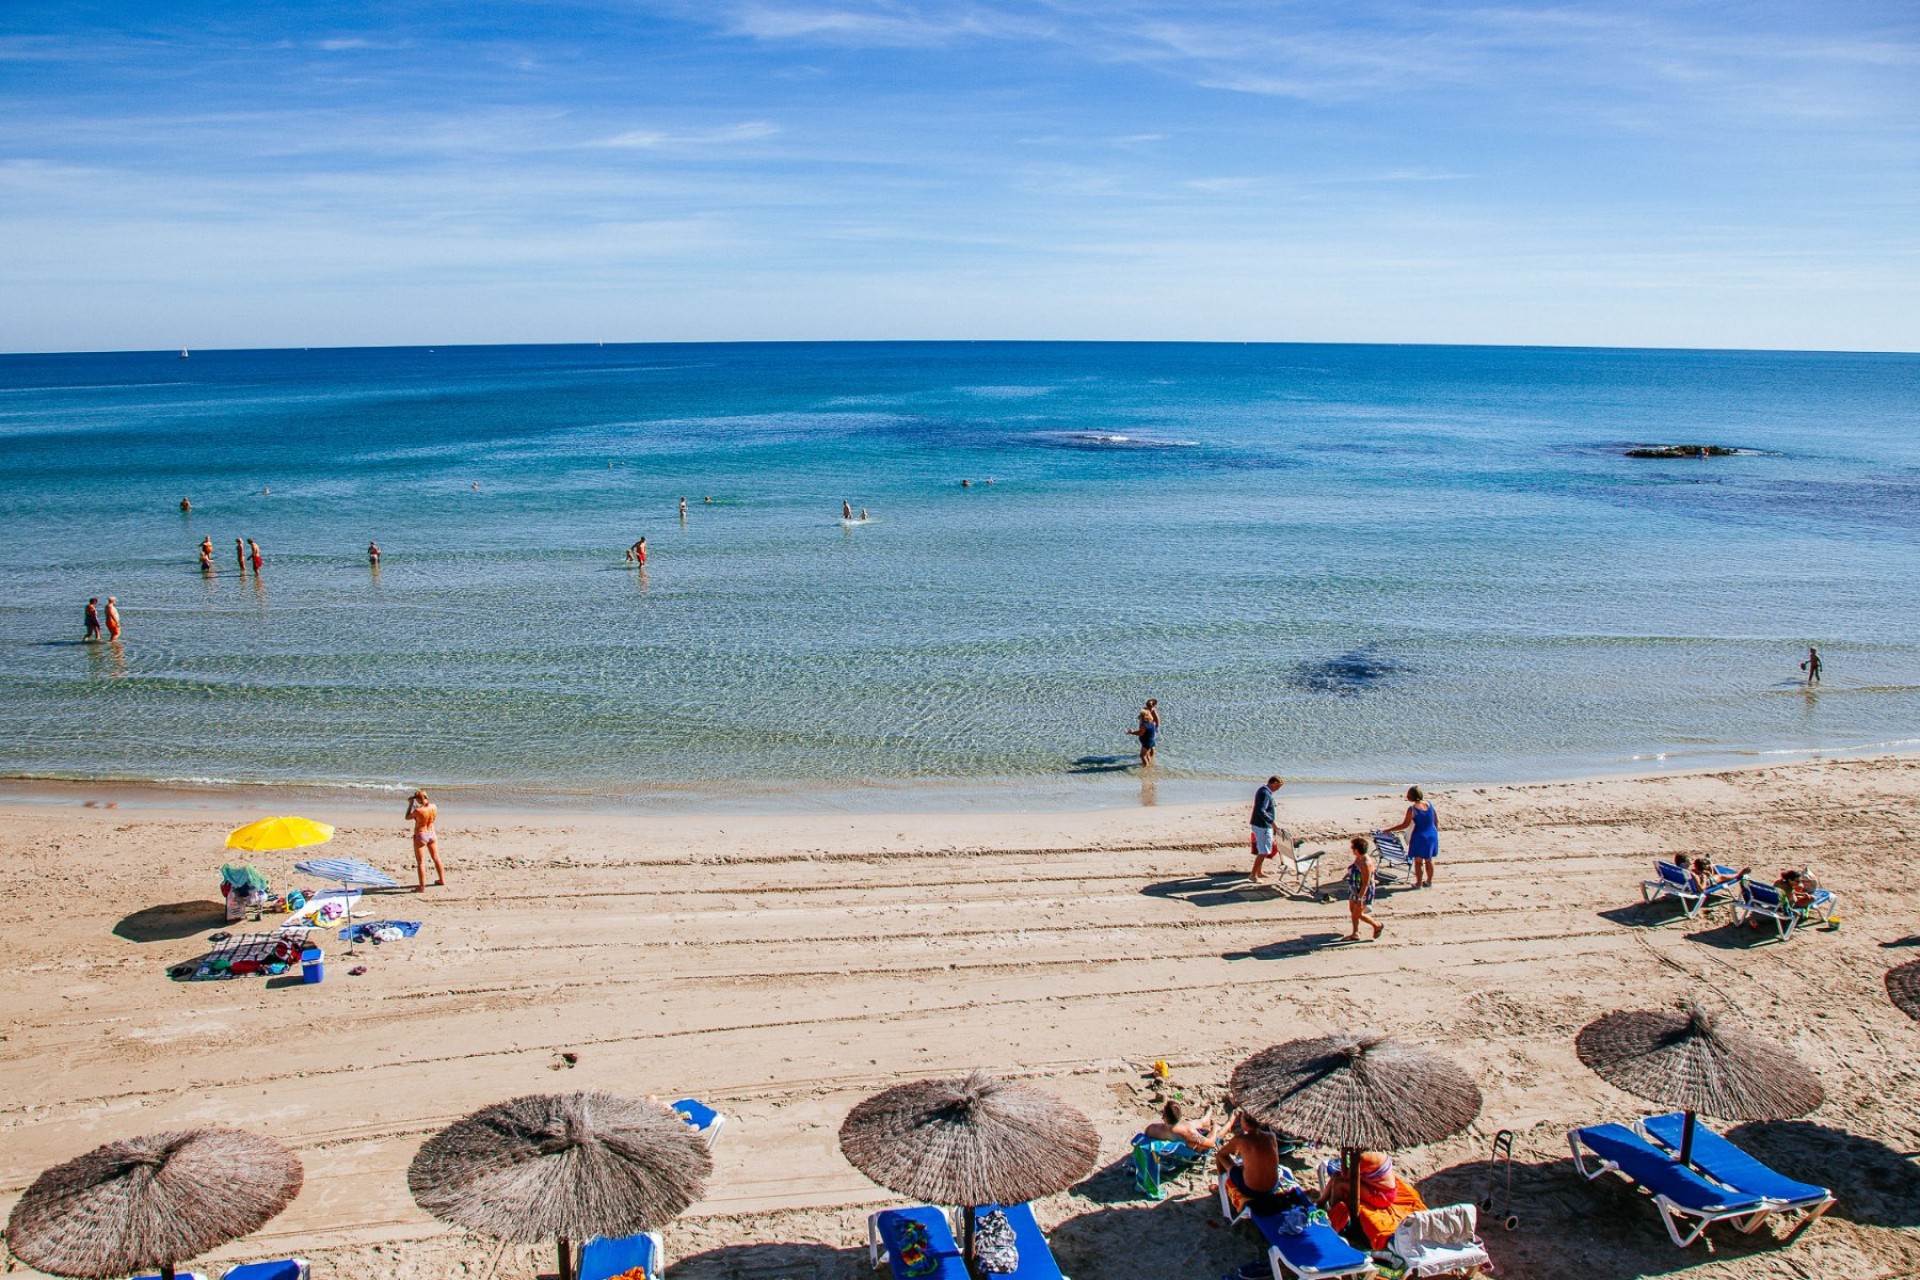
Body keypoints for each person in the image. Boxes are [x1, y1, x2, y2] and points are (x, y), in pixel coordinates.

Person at [1318, 1152, 1426, 1249]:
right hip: (1374, 1185)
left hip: (1382, 1195)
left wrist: (1345, 1154)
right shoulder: (1372, 1150)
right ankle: (1321, 1203)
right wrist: (1345, 1152)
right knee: (1337, 1176)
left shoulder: (1364, 1157)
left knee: (1340, 1184)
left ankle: (1335, 1216)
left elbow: (1347, 1175)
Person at [1382, 786, 1439, 888]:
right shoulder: (1430, 804)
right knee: (1429, 860)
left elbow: (1405, 824)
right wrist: (1434, 831)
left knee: (1418, 862)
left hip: (1420, 836)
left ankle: (1418, 883)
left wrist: (1389, 829)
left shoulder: (1412, 809)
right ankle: (1429, 881)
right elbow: (1436, 821)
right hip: (1432, 834)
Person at [1344, 836, 1384, 940]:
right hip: (1354, 887)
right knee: (1353, 911)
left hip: (1363, 891)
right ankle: (1357, 932)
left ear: (1356, 850)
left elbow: (1366, 883)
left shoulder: (1366, 864)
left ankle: (1376, 926)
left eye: (1352, 847)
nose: (1352, 849)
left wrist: (1360, 898)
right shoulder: (1359, 857)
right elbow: (1354, 866)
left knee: (1356, 913)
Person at [1144, 1099, 1218, 1152]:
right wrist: (1215, 1129)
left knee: (1193, 1123)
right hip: (1181, 1154)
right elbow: (1211, 1143)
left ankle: (1206, 1119)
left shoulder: (1151, 1129)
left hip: (1165, 1155)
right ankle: (1206, 1119)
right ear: (1180, 1117)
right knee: (1193, 1124)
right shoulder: (1190, 1134)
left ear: (1163, 1117)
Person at [407, 790, 445, 891]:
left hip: (421, 834)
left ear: (419, 799)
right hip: (431, 832)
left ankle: (422, 886)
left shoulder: (418, 810)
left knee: (420, 862)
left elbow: (407, 817)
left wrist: (411, 804)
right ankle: (442, 879)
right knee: (436, 857)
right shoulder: (434, 807)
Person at [1248, 775, 1284, 882]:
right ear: (1273, 783)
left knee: (1261, 848)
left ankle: (1259, 872)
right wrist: (1272, 822)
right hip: (1262, 825)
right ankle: (1253, 875)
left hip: (1260, 824)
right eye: (1278, 786)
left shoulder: (1264, 791)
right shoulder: (1265, 793)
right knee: (1264, 851)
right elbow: (1261, 810)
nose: (1278, 789)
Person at [1127, 698, 1160, 767]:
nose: (1147, 705)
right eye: (1147, 704)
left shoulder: (1153, 714)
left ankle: (1146, 769)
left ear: (1153, 705)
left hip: (1148, 736)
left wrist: (1131, 732)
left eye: (1149, 704)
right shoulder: (1147, 714)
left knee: (1143, 755)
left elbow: (1157, 723)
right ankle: (1149, 764)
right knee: (1147, 753)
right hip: (1148, 734)